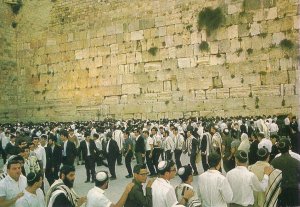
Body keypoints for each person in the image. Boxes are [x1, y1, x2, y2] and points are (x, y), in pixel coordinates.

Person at [271, 138, 300, 206]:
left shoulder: (274, 161)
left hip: (280, 190)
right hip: (294, 190)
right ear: (289, 147)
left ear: (279, 149)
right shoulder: (296, 160)